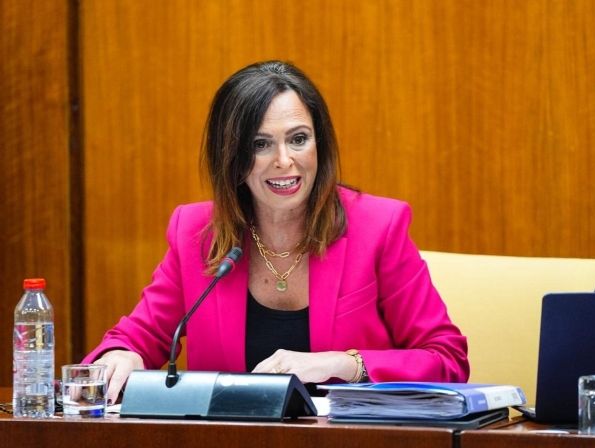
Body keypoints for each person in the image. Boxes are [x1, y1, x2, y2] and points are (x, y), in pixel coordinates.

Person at [83, 60, 469, 405]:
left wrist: (344, 364)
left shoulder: (379, 227)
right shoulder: (197, 234)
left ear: (320, 144)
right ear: (232, 157)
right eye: (260, 144)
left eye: (298, 139)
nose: (285, 161)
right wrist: (121, 356)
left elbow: (447, 359)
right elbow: (138, 336)